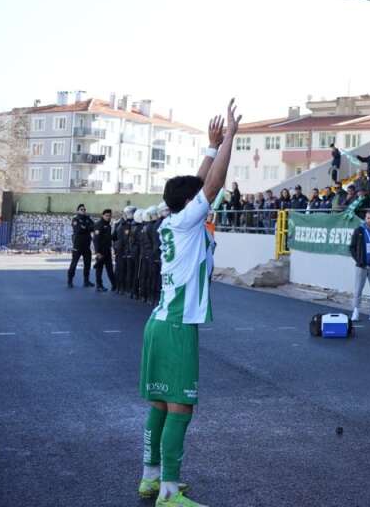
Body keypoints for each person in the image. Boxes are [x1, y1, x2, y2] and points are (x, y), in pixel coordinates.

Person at [137, 99, 239, 506]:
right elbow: (210, 186)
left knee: (160, 404)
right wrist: (230, 137)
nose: (205, 200)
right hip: (177, 325)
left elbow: (198, 187)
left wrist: (210, 149)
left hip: (158, 323)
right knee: (180, 408)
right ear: (192, 205)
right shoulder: (188, 219)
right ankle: (167, 493)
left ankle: (150, 478)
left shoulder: (172, 219)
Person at [68, 203, 95, 288]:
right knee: (74, 263)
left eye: (84, 209)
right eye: (81, 209)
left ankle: (86, 281)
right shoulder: (75, 219)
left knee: (87, 264)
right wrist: (87, 228)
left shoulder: (88, 219)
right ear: (78, 211)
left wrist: (85, 227)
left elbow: (93, 227)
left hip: (86, 245)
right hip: (77, 245)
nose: (83, 211)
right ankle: (70, 280)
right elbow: (78, 229)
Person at [93, 209, 116, 292]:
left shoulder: (108, 225)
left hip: (107, 250)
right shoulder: (99, 224)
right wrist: (97, 252)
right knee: (99, 269)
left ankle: (114, 285)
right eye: (106, 215)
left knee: (110, 269)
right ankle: (99, 285)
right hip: (101, 251)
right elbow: (96, 239)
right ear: (103, 215)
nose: (108, 217)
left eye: (109, 216)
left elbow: (108, 238)